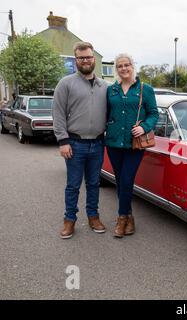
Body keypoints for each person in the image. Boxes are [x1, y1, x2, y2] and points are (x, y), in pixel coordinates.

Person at [53, 42, 108, 239]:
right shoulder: (66, 83)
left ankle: (93, 216)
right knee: (73, 185)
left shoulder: (105, 86)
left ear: (94, 59)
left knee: (94, 184)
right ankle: (69, 220)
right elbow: (58, 113)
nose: (85, 60)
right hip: (74, 144)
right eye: (81, 57)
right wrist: (62, 141)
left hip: (98, 144)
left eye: (89, 57)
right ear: (76, 60)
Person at [105, 53, 158, 238]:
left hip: (134, 144)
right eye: (119, 66)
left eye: (126, 65)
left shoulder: (145, 89)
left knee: (127, 180)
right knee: (120, 181)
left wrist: (144, 127)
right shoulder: (111, 90)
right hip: (113, 142)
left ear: (132, 66)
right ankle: (129, 217)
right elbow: (106, 113)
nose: (123, 68)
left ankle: (121, 218)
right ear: (116, 69)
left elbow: (153, 114)